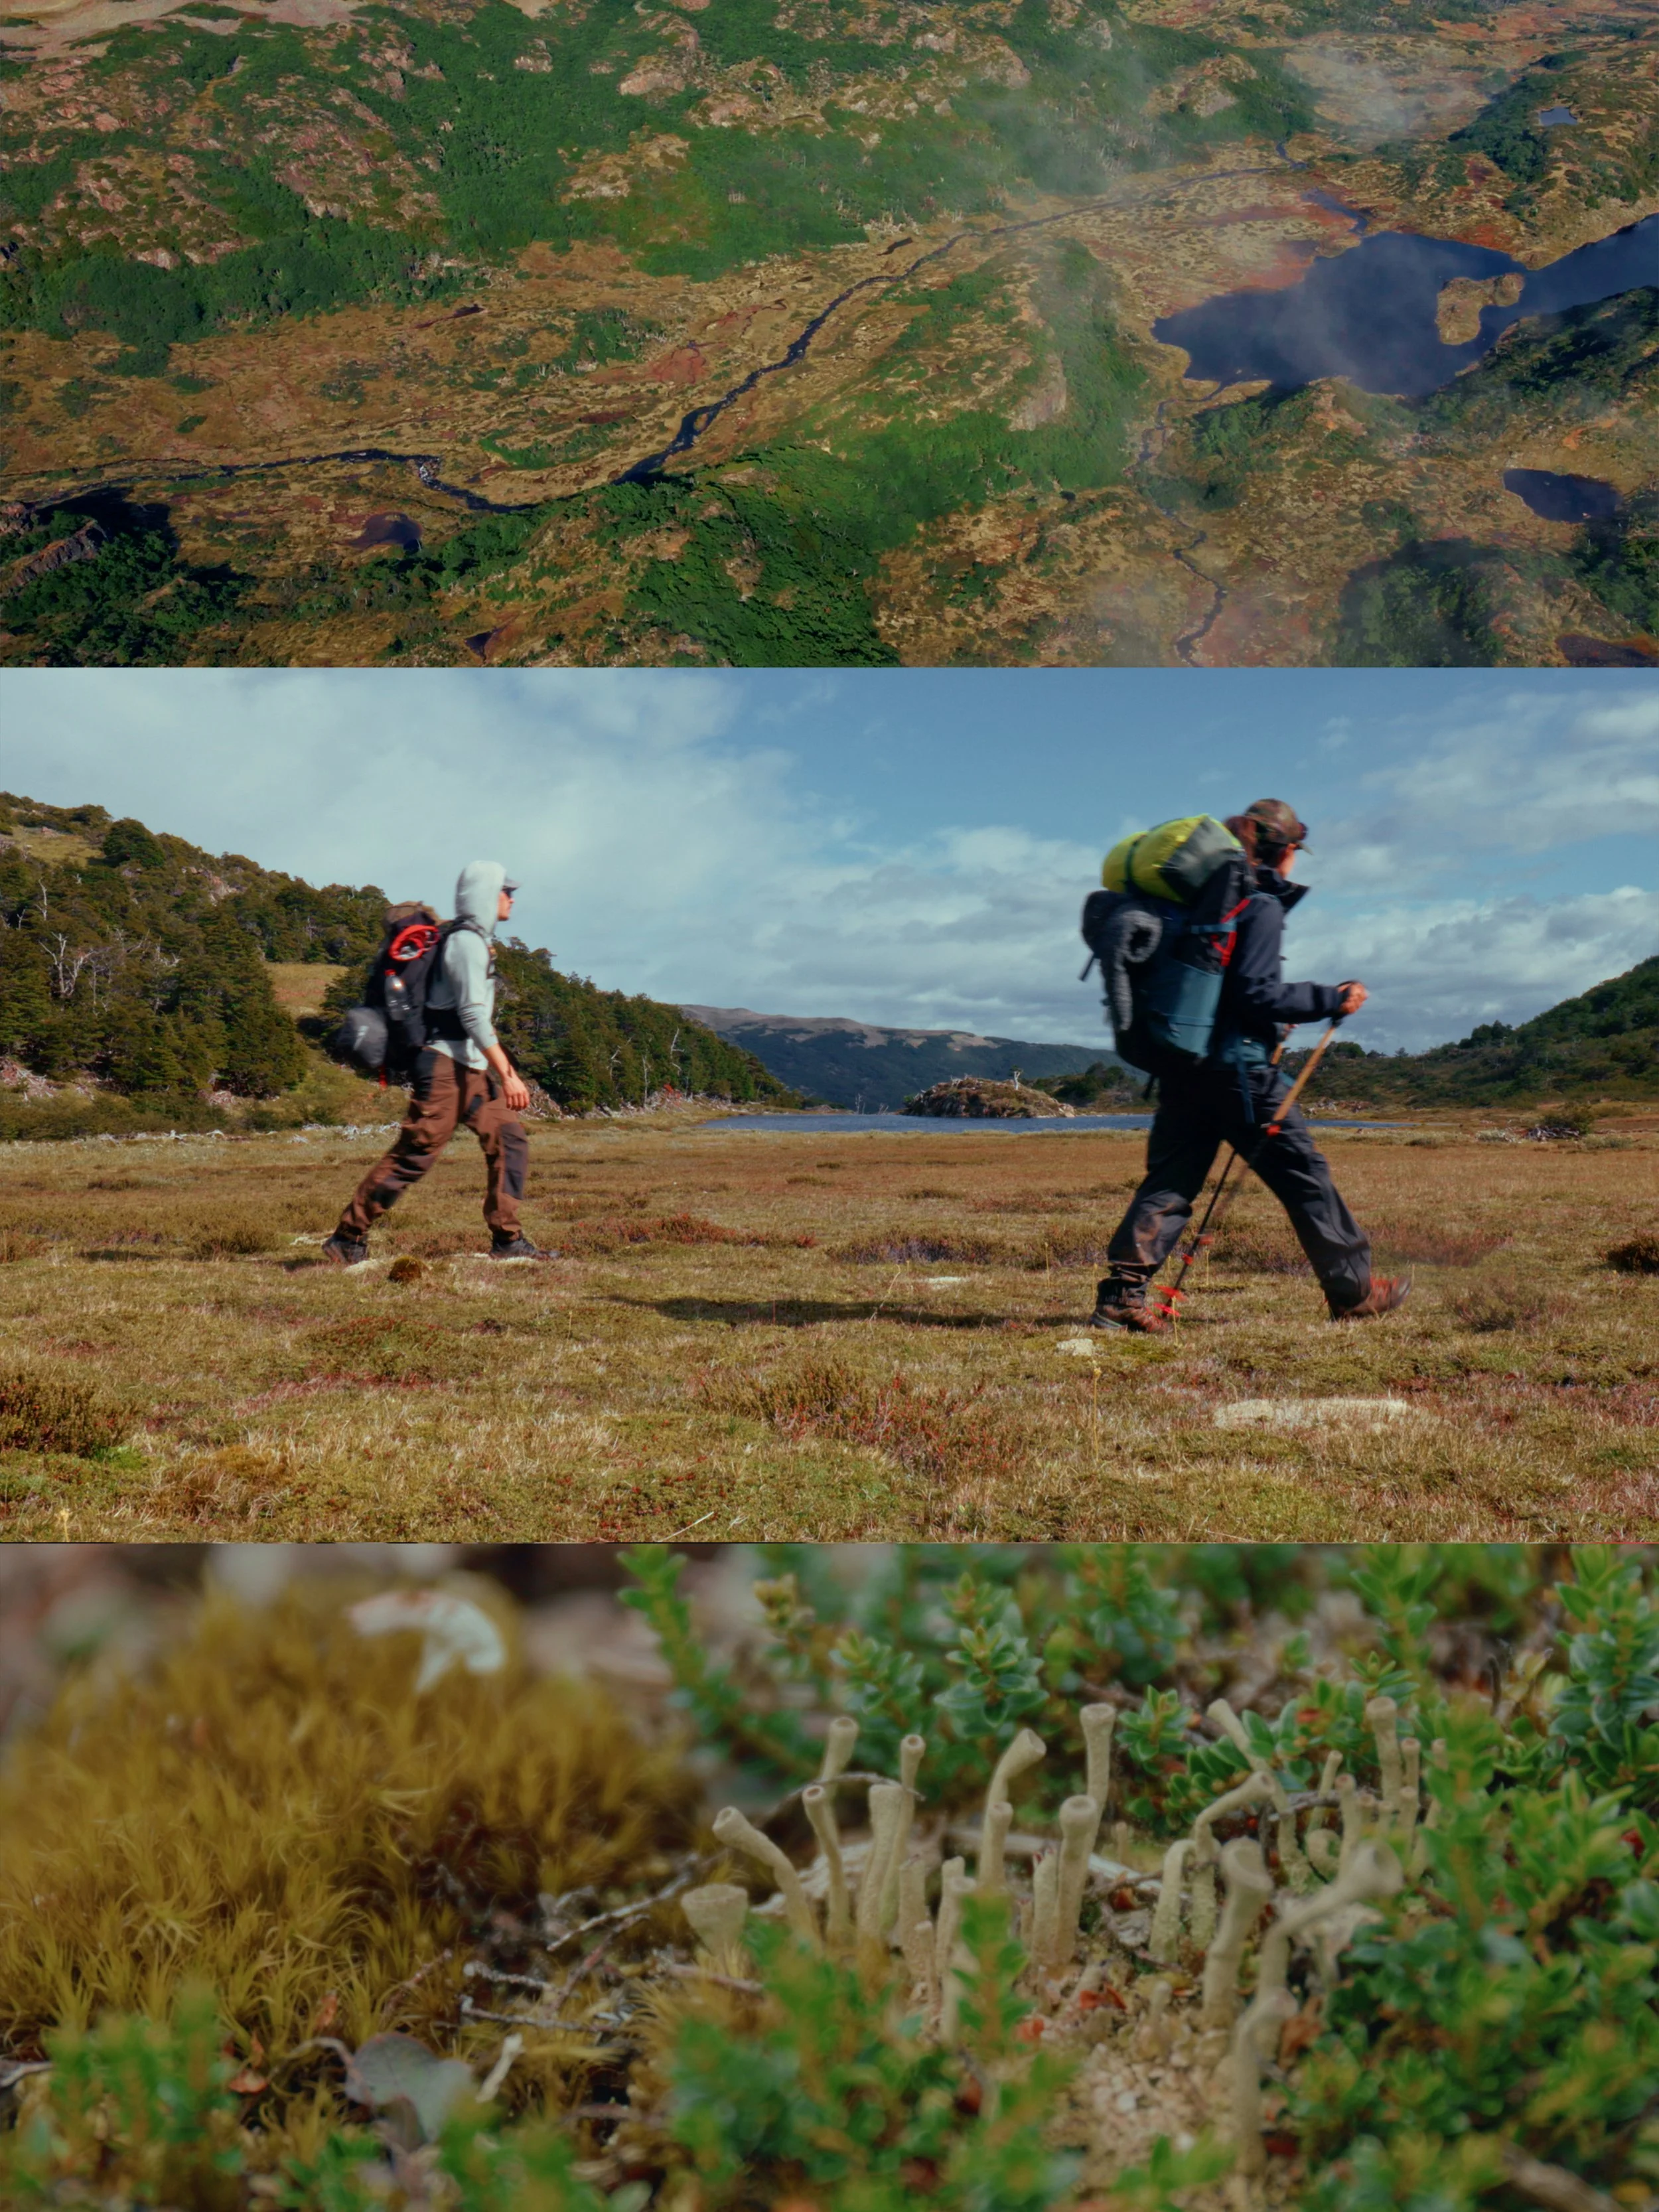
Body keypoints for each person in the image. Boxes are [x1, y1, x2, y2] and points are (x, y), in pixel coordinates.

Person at [1089, 798, 1408, 1332]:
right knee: (1307, 1178)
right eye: (1294, 852)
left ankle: (1122, 1298)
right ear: (1283, 851)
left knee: (1171, 1182)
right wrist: (1333, 997)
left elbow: (1228, 992)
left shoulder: (1196, 908)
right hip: (1241, 1075)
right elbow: (1257, 994)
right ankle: (1353, 1291)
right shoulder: (1256, 905)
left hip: (1184, 1066)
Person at [323, 863, 547, 1265]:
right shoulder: (466, 943)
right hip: (445, 1067)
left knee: (510, 1141)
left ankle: (508, 1240)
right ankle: (347, 1237)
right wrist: (509, 1076)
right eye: (505, 890)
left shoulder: (477, 941)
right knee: (417, 1153)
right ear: (485, 894)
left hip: (471, 1070)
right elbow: (473, 1015)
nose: (512, 898)